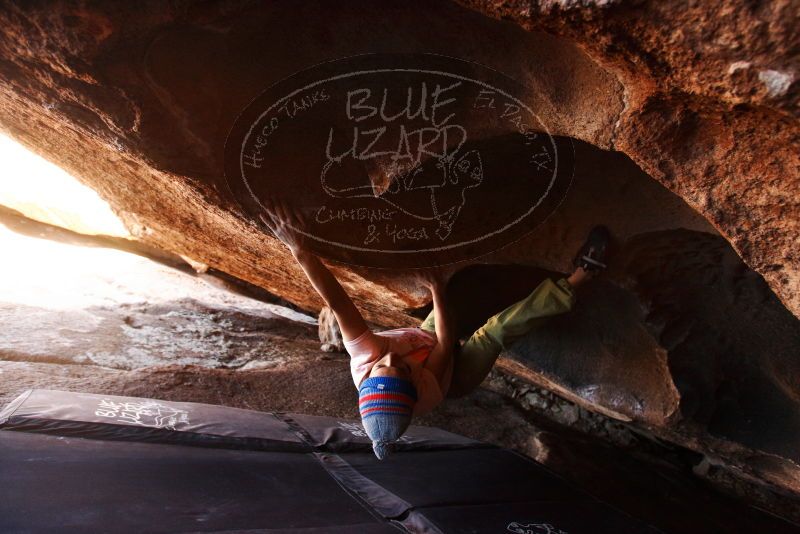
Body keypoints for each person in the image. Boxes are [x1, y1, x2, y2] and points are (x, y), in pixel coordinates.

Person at [264, 201, 610, 459]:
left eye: (385, 367)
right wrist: (437, 291)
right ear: (415, 384)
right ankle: (579, 279)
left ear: (368, 377)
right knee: (494, 333)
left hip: (424, 343)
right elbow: (445, 341)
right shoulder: (427, 387)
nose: (391, 359)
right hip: (453, 375)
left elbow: (338, 301)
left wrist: (299, 250)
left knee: (457, 295)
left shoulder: (366, 355)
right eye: (402, 370)